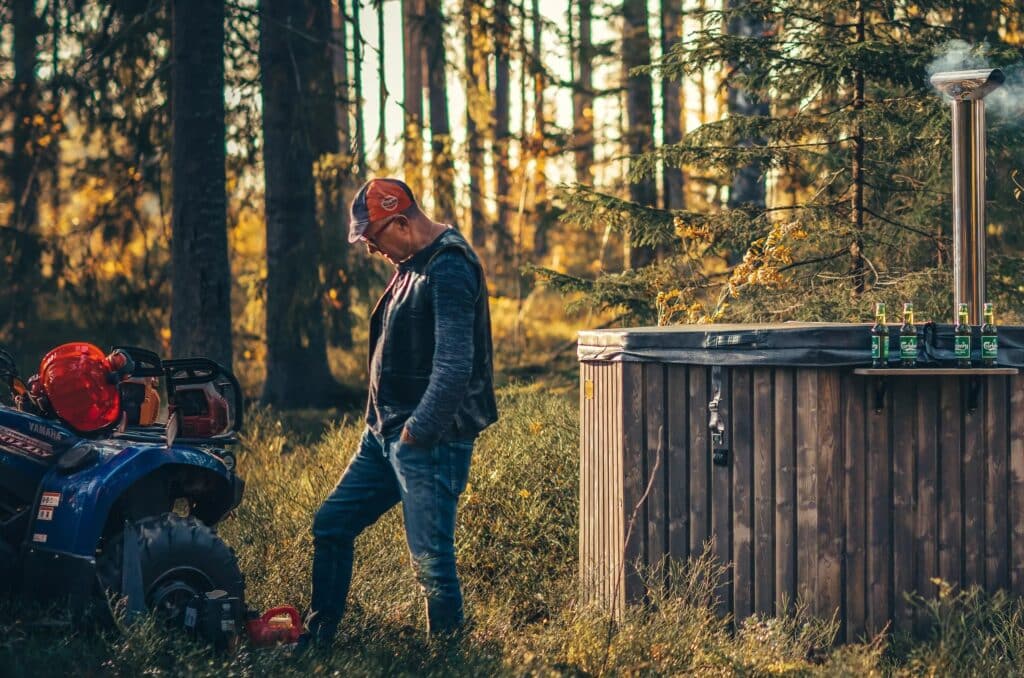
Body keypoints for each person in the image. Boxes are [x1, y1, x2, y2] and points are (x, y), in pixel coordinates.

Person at [305, 178, 498, 645]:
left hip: (427, 441)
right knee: (331, 524)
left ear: (399, 222)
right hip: (382, 437)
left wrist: (416, 434)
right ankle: (319, 637)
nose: (372, 250)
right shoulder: (413, 262)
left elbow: (454, 365)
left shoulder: (449, 267)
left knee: (431, 561)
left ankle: (450, 659)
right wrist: (382, 427)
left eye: (373, 239)